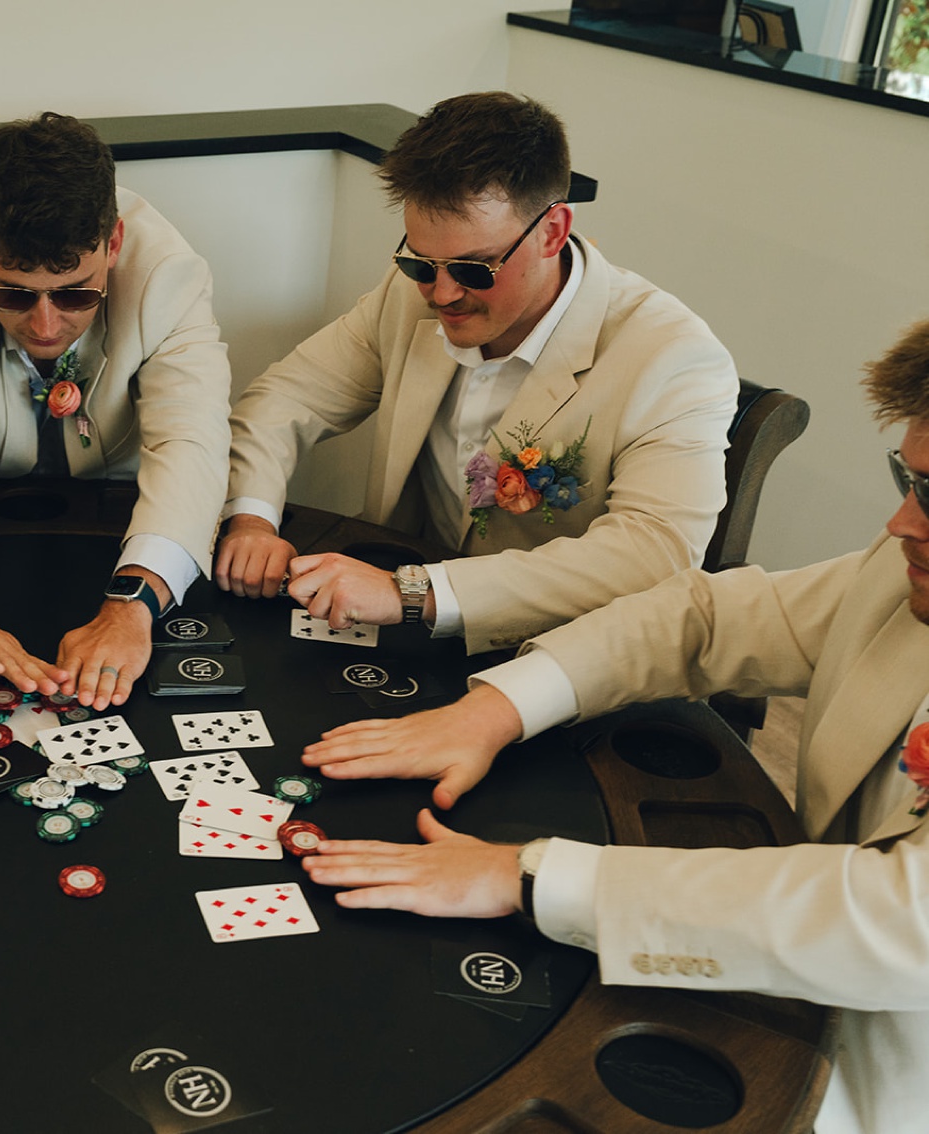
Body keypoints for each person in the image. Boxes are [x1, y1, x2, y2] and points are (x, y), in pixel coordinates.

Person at [295, 319, 929, 1133]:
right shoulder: (901, 562)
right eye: (907, 480)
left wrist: (527, 878)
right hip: (776, 979)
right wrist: (497, 707)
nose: (900, 526)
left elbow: (899, 920)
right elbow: (706, 619)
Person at [217, 91, 738, 654]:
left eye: (473, 268)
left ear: (553, 231)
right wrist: (251, 519)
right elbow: (285, 398)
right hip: (399, 627)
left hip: (558, 653)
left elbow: (654, 550)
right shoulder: (406, 295)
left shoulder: (673, 357)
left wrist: (414, 593)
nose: (442, 294)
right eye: (421, 262)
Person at [0, 112, 233, 709]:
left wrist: (132, 608)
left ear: (113, 245)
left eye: (77, 293)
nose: (46, 326)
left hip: (122, 520)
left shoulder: (170, 276)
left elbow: (191, 441)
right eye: (12, 294)